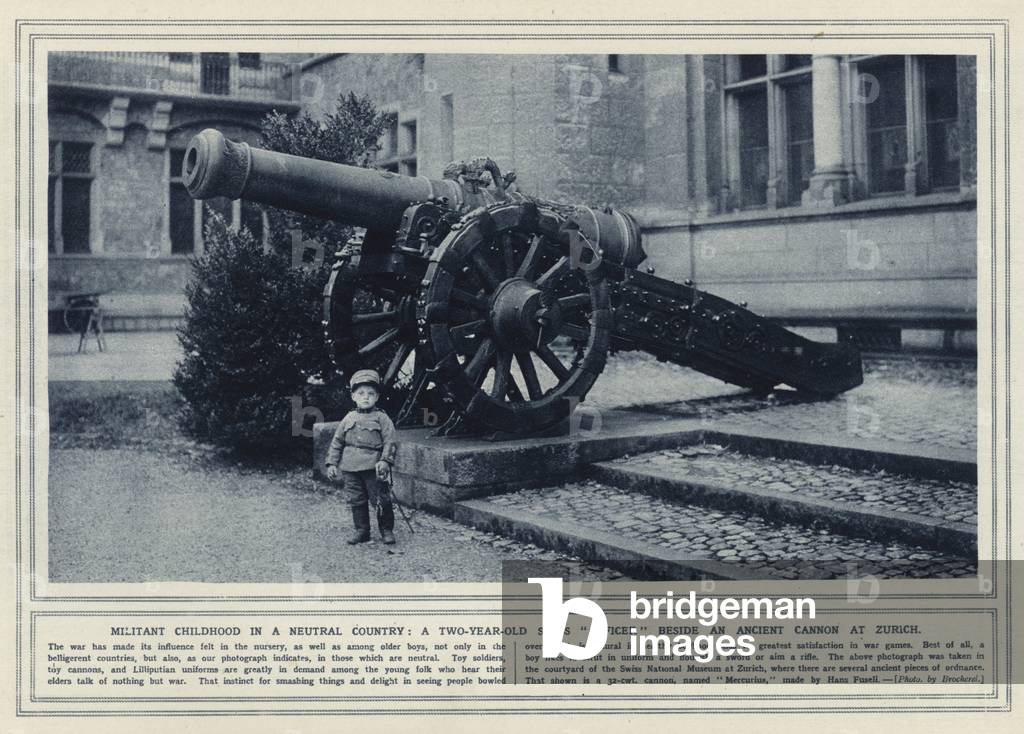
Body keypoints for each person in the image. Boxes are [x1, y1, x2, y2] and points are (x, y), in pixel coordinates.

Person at [324, 369, 398, 545]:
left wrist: (385, 461)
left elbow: (390, 442)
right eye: (361, 393)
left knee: (381, 500)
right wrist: (331, 464)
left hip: (373, 467)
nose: (366, 397)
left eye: (371, 394)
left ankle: (386, 530)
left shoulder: (382, 418)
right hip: (350, 467)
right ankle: (362, 530)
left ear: (377, 397)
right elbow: (337, 442)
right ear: (353, 397)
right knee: (356, 500)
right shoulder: (348, 417)